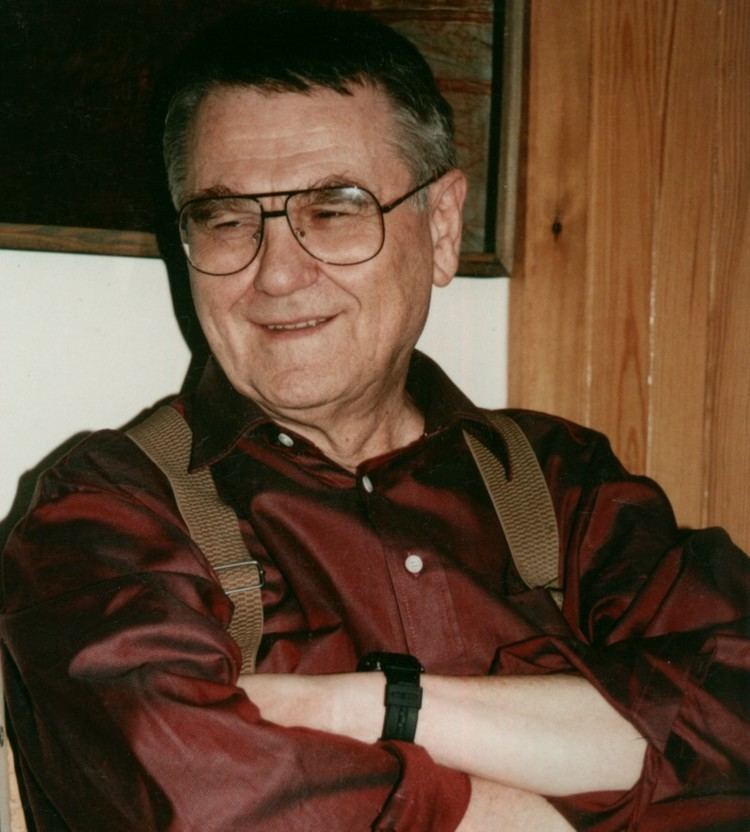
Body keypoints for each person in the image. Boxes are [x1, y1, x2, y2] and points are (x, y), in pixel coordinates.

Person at [2, 5, 748, 831]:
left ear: (439, 228)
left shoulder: (563, 486)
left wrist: (377, 710)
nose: (278, 274)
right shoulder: (104, 512)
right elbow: (206, 801)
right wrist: (520, 804)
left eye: (336, 208)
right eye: (227, 220)